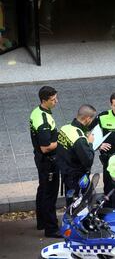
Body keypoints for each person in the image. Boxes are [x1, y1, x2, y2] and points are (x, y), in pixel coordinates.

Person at [29, 86, 60, 238]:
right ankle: (52, 228)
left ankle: (42, 221)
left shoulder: (37, 112)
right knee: (50, 194)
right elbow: (46, 147)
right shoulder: (43, 121)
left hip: (41, 161)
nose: (56, 102)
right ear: (44, 101)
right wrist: (59, 141)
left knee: (43, 190)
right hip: (48, 161)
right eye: (53, 100)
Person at [57, 104, 96, 206]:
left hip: (66, 174)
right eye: (92, 119)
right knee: (79, 205)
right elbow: (88, 160)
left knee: (70, 201)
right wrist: (90, 143)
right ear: (87, 119)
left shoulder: (65, 128)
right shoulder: (79, 139)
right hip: (77, 178)